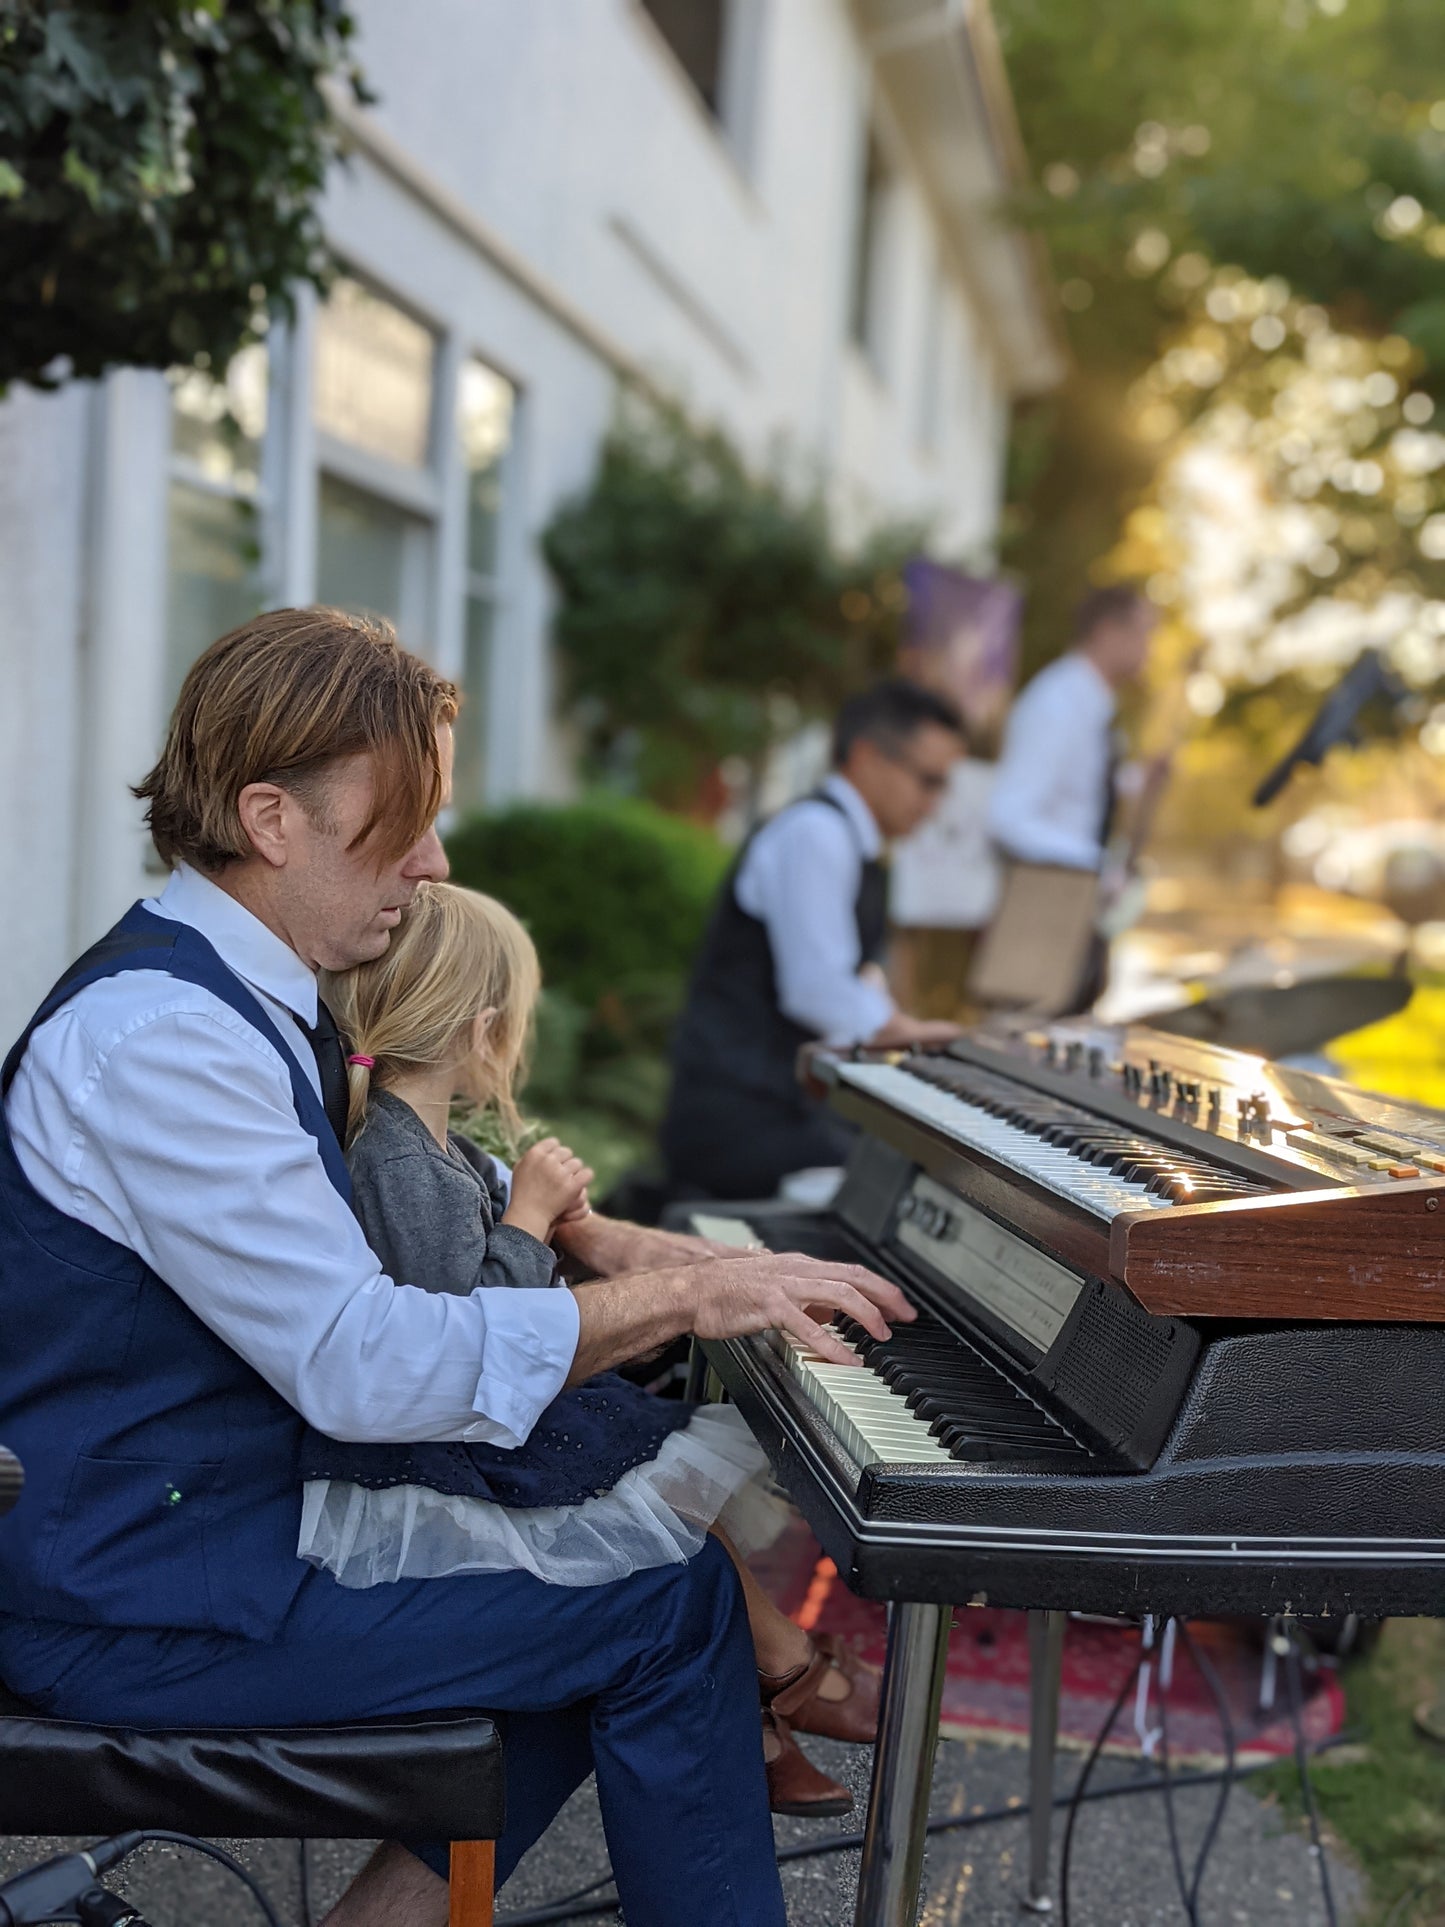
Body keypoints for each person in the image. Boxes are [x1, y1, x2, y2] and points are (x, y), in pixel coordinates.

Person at [0, 607, 915, 1927]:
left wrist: (671, 1255)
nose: (431, 860)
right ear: (272, 820)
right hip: (143, 1594)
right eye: (405, 820)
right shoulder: (164, 1040)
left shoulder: (241, 996)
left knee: (629, 1598)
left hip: (201, 1544)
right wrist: (693, 1295)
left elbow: (435, 1220)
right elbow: (368, 1363)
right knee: (666, 1605)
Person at [299, 877, 879, 1816]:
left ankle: (765, 1689)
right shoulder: (399, 1160)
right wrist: (527, 1220)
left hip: (484, 1421)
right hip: (450, 1448)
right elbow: (462, 1331)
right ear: (485, 1030)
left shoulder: (429, 1145)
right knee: (649, 1494)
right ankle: (776, 1672)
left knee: (658, 1481)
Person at [661, 678, 969, 1201]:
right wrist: (916, 1035)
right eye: (928, 781)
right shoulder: (817, 834)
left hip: (772, 1106)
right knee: (923, 1181)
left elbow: (854, 984)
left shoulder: (852, 842)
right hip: (734, 1119)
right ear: (868, 757)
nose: (934, 803)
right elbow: (816, 990)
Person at [984, 584, 1159, 1009]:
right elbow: (1007, 816)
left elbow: (1082, 795)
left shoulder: (1095, 708)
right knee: (1022, 1048)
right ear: (1107, 631)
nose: (1149, 649)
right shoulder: (1055, 702)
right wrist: (1095, 865)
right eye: (1143, 633)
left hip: (1078, 908)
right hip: (1042, 910)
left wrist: (1138, 783)